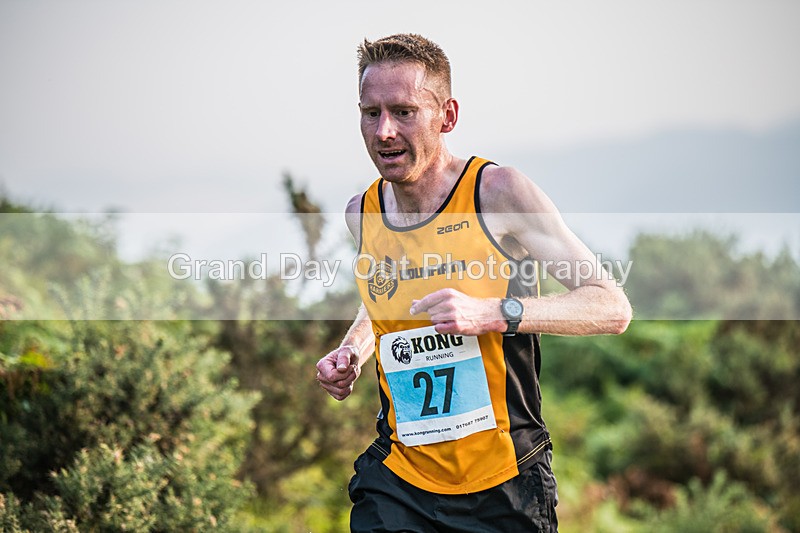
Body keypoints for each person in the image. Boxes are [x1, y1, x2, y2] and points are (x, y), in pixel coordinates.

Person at [316, 33, 632, 533]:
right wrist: (352, 352)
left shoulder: (498, 193)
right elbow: (384, 295)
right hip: (400, 479)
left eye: (403, 111)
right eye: (370, 112)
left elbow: (610, 307)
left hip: (503, 482)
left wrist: (493, 314)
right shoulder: (363, 212)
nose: (383, 132)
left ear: (448, 115)